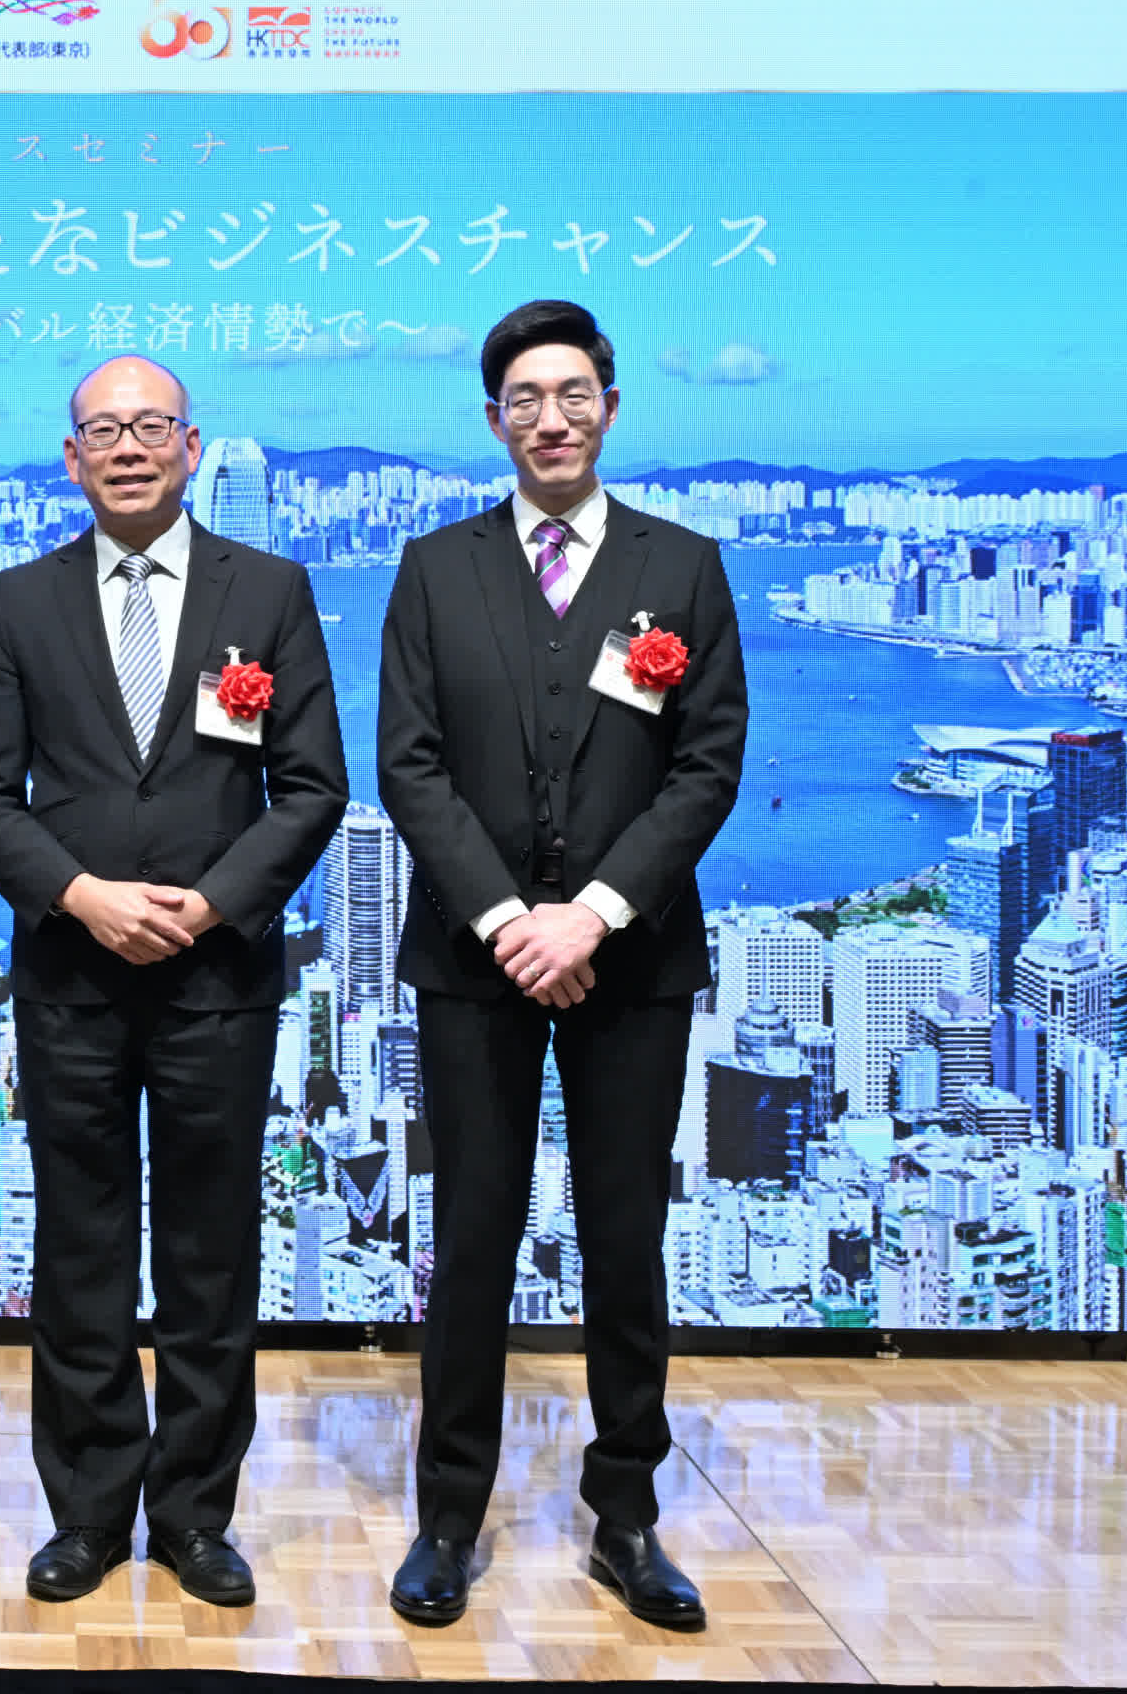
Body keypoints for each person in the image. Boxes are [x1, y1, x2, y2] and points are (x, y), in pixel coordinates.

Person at [0, 355, 346, 1608]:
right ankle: (85, 1513)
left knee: (209, 1253)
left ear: (192, 445)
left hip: (216, 976)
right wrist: (83, 895)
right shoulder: (22, 599)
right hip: (72, 976)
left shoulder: (268, 590)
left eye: (151, 426)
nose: (129, 446)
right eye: (104, 429)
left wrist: (213, 901)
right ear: (71, 458)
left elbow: (313, 787)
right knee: (79, 1250)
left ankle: (192, 1516)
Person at [377, 300, 747, 1631]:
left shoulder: (682, 567)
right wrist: (508, 921)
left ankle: (628, 1514)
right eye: (525, 398)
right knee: (473, 1231)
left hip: (631, 960)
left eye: (574, 392)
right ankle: (448, 1515)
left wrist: (588, 914)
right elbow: (409, 764)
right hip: (473, 960)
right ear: (494, 421)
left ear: (611, 406)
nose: (552, 417)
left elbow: (706, 765)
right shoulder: (435, 568)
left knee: (625, 1235)